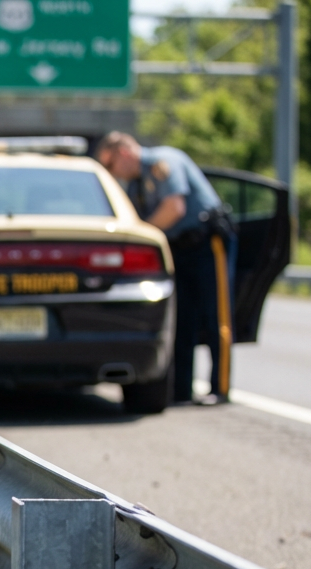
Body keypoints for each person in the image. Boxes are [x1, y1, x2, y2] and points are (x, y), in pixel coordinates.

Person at [96, 131, 238, 405]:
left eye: (111, 165)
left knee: (215, 315)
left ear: (124, 153)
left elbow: (175, 207)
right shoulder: (134, 185)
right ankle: (181, 390)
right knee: (182, 321)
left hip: (207, 245)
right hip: (178, 250)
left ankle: (220, 389)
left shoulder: (162, 161)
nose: (112, 173)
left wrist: (140, 235)